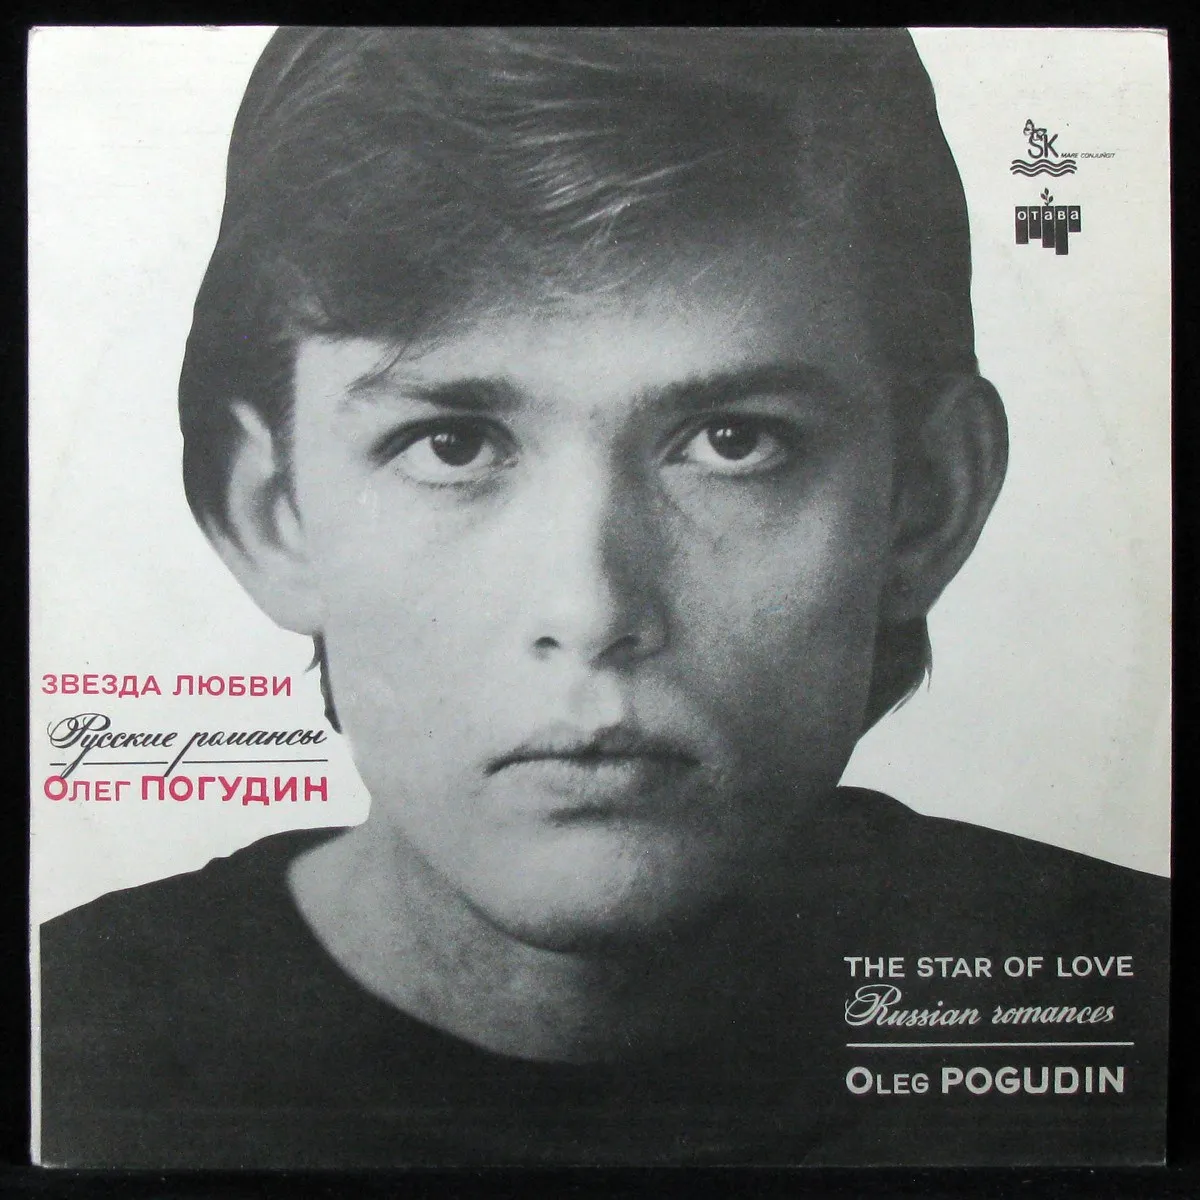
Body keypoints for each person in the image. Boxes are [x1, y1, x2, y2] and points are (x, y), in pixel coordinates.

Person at [39, 27, 1168, 1168]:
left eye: (734, 442)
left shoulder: (1145, 1010)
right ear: (272, 513)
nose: (590, 610)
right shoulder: (63, 1045)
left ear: (923, 503)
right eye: (451, 444)